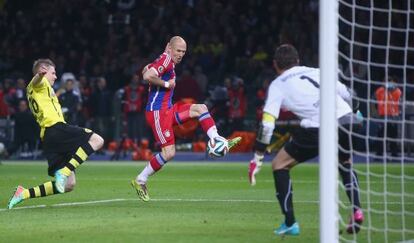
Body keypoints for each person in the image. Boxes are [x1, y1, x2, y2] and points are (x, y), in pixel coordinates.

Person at [248, 44, 364, 235]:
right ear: (298, 61)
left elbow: (267, 123)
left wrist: (258, 156)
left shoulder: (278, 84)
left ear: (275, 65)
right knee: (344, 162)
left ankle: (290, 222)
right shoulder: (317, 71)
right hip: (348, 121)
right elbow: (350, 94)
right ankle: (357, 209)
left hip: (320, 126)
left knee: (279, 165)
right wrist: (357, 112)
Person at [131, 36, 241, 202]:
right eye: (178, 50)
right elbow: (148, 76)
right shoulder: (167, 59)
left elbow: (146, 71)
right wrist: (167, 84)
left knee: (200, 108)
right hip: (158, 113)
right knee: (169, 153)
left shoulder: (166, 60)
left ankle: (218, 140)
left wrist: (149, 70)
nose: (181, 54)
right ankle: (140, 180)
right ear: (169, 47)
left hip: (168, 110)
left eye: (183, 52)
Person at [7, 59, 104, 209]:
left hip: (49, 137)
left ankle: (23, 194)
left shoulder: (43, 91)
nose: (56, 76)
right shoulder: (40, 84)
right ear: (44, 70)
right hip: (55, 128)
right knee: (97, 140)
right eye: (53, 73)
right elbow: (36, 81)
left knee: (69, 185)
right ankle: (64, 172)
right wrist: (40, 75)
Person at [371, 76, 402, 157]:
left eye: (389, 81)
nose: (387, 82)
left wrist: (399, 113)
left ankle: (394, 153)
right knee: (381, 136)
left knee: (393, 136)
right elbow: (373, 102)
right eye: (385, 81)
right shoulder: (379, 91)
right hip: (382, 116)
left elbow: (401, 103)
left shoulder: (397, 91)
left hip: (393, 117)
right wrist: (375, 114)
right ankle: (380, 153)